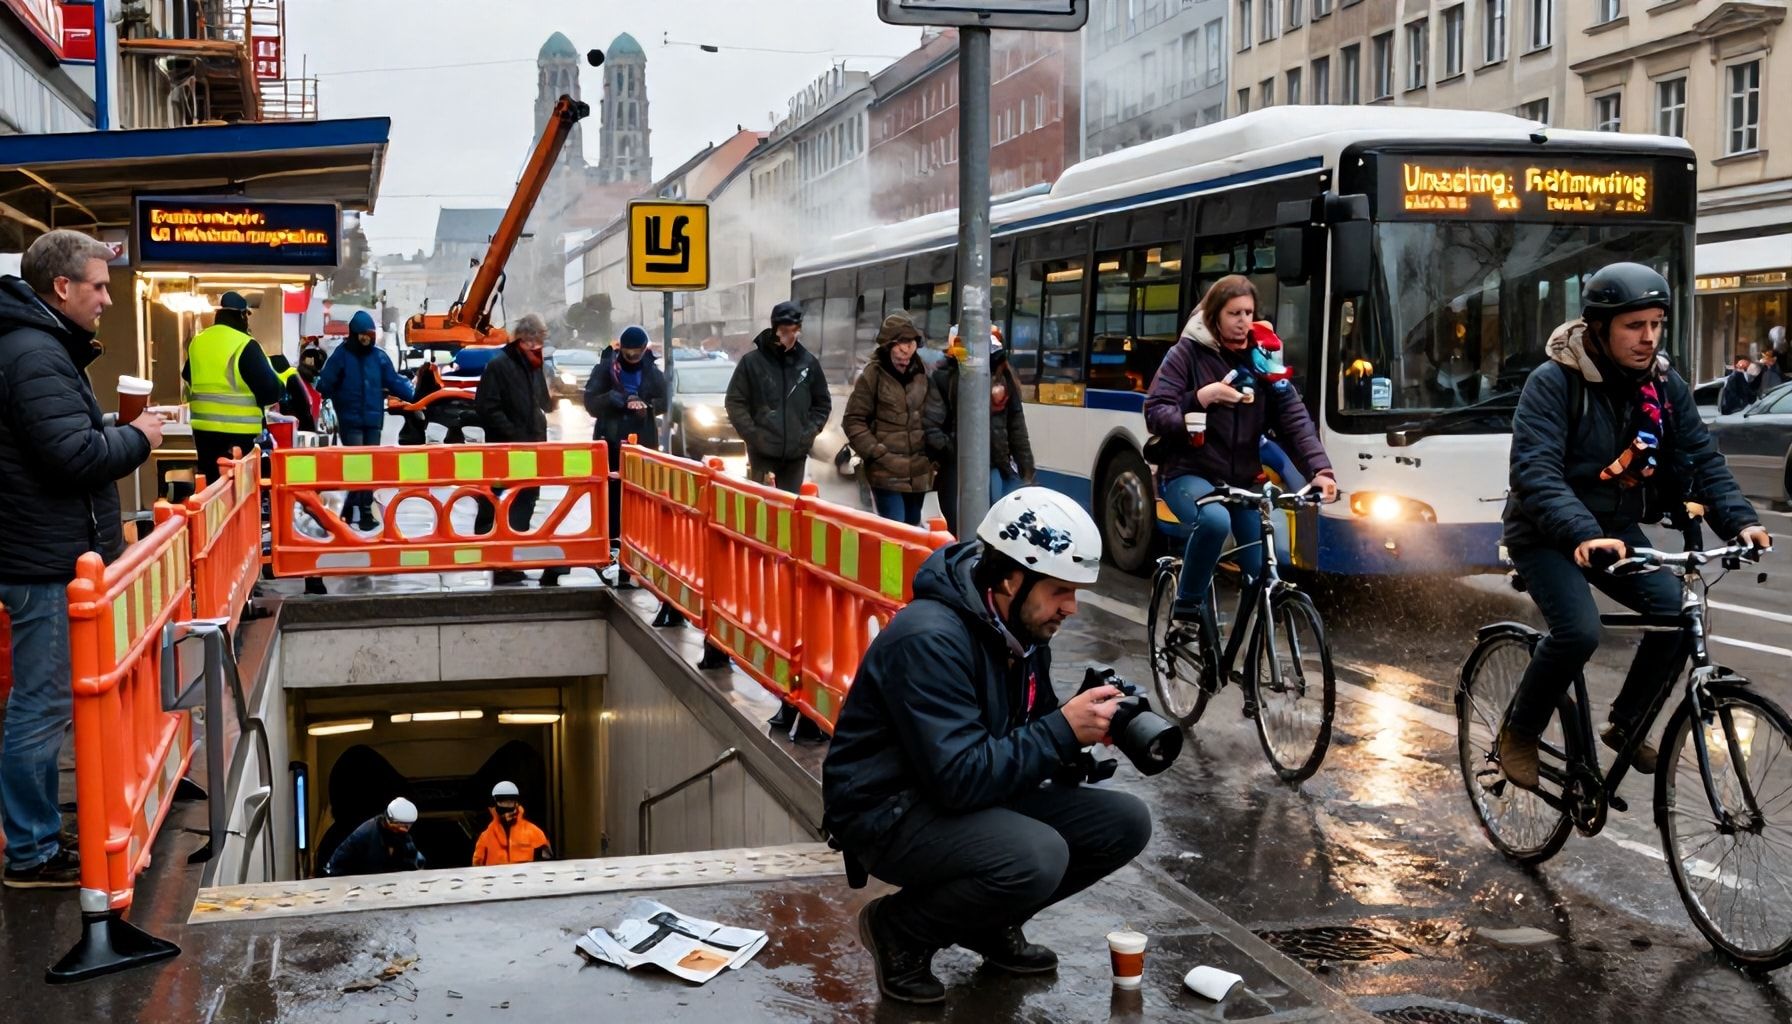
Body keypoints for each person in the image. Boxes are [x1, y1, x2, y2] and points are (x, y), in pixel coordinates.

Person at [823, 488, 1150, 1005]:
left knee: (1124, 822)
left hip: (953, 791)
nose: (1071, 608)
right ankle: (900, 929)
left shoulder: (1019, 630)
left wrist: (1082, 735)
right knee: (1036, 855)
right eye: (1061, 591)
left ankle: (988, 923)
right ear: (1010, 579)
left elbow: (1027, 730)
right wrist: (1061, 730)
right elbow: (958, 778)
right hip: (888, 809)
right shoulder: (930, 638)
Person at [1498, 263, 1771, 789]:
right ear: (1600, 328)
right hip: (1546, 532)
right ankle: (1521, 731)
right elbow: (1536, 472)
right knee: (1579, 632)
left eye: (1656, 324)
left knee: (1678, 616)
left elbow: (1702, 459)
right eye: (1634, 325)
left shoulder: (1664, 385)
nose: (1648, 337)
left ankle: (1627, 723)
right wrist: (1582, 533)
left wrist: (1742, 522)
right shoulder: (1553, 382)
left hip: (1615, 531)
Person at [0, 230, 162, 889]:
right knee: (40, 707)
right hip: (45, 563)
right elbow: (72, 458)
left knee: (45, 705)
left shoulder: (36, 347)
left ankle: (38, 834)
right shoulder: (36, 354)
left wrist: (111, 428)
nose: (107, 299)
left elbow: (60, 438)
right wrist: (138, 437)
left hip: (45, 553)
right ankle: (32, 852)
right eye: (98, 286)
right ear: (62, 287)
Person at [1143, 276, 1337, 625]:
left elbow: (1294, 419)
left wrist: (1320, 471)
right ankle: (1186, 610)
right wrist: (1202, 398)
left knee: (1266, 559)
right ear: (1214, 316)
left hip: (1243, 480)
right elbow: (1156, 411)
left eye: (1248, 312)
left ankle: (1252, 642)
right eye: (1234, 313)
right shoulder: (1186, 353)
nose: (1243, 321)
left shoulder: (1262, 359)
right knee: (1214, 522)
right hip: (1189, 473)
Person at [474, 313, 564, 587]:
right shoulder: (499, 365)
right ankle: (502, 561)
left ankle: (512, 559)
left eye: (542, 339)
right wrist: (512, 434)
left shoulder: (533, 364)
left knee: (526, 500)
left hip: (531, 447)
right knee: (503, 502)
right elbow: (487, 407)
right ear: (524, 339)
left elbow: (541, 402)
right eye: (537, 339)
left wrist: (552, 399)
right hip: (506, 448)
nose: (539, 344)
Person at [924, 327, 1035, 535]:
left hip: (996, 466)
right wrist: (957, 452)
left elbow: (1017, 428)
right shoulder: (945, 379)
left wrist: (1026, 468)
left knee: (997, 527)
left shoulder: (1006, 381)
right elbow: (931, 427)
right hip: (957, 470)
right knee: (963, 529)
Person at [316, 311, 413, 529]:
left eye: (370, 335)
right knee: (359, 465)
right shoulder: (342, 357)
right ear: (355, 334)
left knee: (368, 466)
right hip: (351, 422)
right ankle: (360, 509)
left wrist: (416, 396)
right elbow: (325, 384)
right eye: (364, 335)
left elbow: (394, 381)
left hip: (371, 421)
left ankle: (357, 507)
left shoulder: (377, 358)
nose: (367, 339)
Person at [725, 301, 830, 493]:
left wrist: (807, 435)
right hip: (762, 455)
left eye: (795, 330)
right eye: (785, 331)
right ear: (775, 329)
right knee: (762, 505)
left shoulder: (808, 364)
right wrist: (754, 435)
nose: (791, 336)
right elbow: (735, 402)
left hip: (795, 456)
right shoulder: (752, 363)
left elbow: (822, 404)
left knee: (789, 506)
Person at [182, 290, 283, 482]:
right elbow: (270, 390)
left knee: (211, 486)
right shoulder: (245, 344)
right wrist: (281, 387)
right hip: (240, 435)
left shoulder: (198, 341)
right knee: (239, 488)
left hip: (203, 433)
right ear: (242, 315)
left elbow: (187, 374)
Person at [844, 312, 935, 526]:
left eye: (911, 343)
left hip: (919, 472)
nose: (906, 350)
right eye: (900, 343)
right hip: (886, 472)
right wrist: (877, 452)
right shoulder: (873, 375)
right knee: (895, 528)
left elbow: (935, 417)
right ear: (888, 346)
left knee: (913, 528)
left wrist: (933, 455)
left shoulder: (923, 373)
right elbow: (853, 420)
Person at [584, 325, 668, 548]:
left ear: (644, 349)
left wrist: (646, 405)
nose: (632, 357)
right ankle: (612, 542)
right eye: (628, 352)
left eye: (636, 353)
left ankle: (640, 540)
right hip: (611, 442)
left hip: (643, 443)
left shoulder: (651, 371)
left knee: (641, 495)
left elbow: (664, 401)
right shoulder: (605, 369)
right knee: (612, 496)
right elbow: (591, 403)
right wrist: (617, 399)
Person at [323, 797, 426, 877]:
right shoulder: (364, 833)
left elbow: (414, 859)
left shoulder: (400, 835)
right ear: (389, 820)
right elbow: (334, 866)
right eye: (401, 825)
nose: (405, 830)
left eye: (408, 826)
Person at [471, 781, 553, 866]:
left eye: (510, 800)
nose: (506, 804)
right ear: (495, 802)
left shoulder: (533, 832)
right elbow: (476, 865)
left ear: (516, 802)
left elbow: (547, 863)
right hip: (496, 875)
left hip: (525, 874)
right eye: (502, 800)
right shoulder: (486, 836)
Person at [269, 353, 319, 433]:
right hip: (296, 424)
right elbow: (305, 405)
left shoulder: (284, 373)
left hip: (288, 424)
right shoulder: (291, 373)